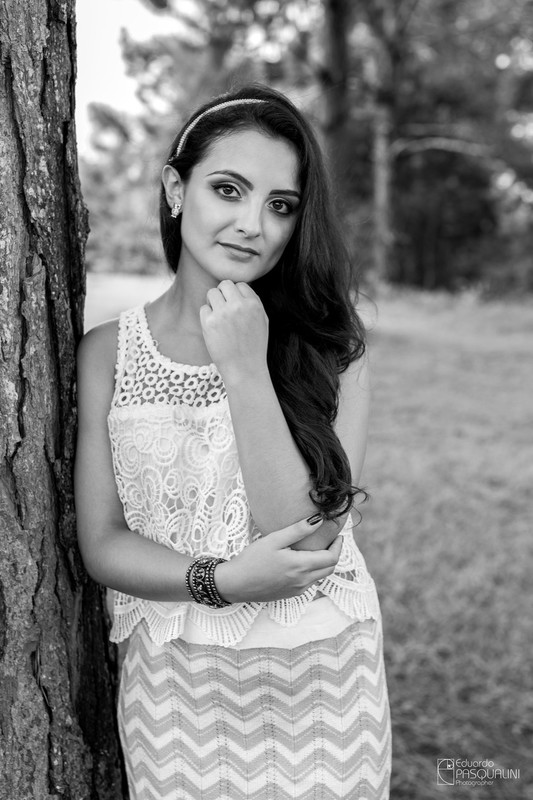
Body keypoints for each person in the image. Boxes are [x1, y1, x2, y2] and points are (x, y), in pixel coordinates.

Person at [75, 84, 391, 800]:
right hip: (176, 687)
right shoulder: (107, 355)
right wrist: (219, 582)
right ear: (175, 188)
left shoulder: (332, 347)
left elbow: (307, 538)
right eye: (228, 189)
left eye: (280, 205)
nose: (254, 224)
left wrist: (245, 366)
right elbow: (101, 542)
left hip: (323, 679)